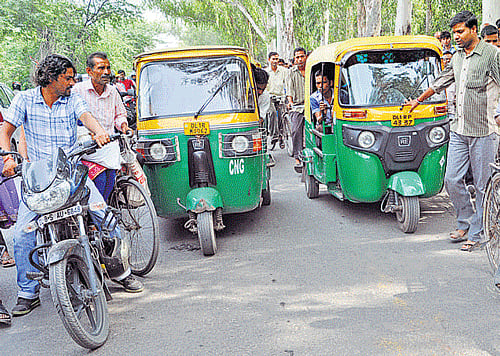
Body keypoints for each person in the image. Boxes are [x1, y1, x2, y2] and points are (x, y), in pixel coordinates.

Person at [0, 54, 143, 317]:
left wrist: (99, 131)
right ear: (51, 78)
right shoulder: (25, 99)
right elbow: (6, 130)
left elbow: (87, 117)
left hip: (72, 172)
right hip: (38, 178)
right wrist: (8, 155)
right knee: (22, 233)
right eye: (67, 77)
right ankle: (28, 293)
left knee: (106, 218)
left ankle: (122, 271)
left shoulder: (72, 98)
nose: (71, 82)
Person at [406, 11, 500, 252]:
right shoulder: (457, 57)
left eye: (460, 31)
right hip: (459, 129)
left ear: (473, 29)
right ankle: (465, 220)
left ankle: (478, 232)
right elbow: (441, 81)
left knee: (482, 185)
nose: (456, 37)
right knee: (451, 179)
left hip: (484, 130)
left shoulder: (492, 55)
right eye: (454, 32)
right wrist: (418, 100)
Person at [73, 52, 130, 202]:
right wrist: (87, 133)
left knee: (110, 181)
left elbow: (120, 114)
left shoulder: (113, 91)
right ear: (89, 71)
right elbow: (74, 118)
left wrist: (123, 125)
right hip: (87, 148)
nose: (106, 72)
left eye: (108, 68)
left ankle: (101, 215)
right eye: (101, 68)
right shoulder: (78, 91)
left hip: (109, 144)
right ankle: (95, 218)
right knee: (100, 181)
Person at [285, 47, 307, 173]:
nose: (300, 59)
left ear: (305, 57)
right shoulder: (291, 72)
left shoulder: (311, 69)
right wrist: (290, 102)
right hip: (297, 106)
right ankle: (297, 156)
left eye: (302, 56)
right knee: (295, 130)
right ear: (294, 59)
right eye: (297, 57)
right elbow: (289, 90)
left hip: (311, 104)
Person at [265, 51, 288, 149]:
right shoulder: (266, 72)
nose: (275, 61)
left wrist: (287, 95)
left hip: (281, 96)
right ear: (269, 60)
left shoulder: (283, 71)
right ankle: (274, 136)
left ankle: (281, 136)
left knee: (282, 116)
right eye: (273, 59)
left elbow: (287, 83)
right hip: (269, 97)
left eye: (277, 59)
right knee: (272, 113)